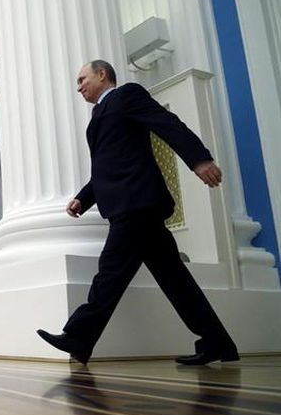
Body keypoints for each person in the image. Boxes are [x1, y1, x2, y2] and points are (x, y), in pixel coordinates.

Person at [37, 60, 239, 366]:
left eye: (82, 79)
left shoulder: (126, 95)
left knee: (110, 272)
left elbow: (168, 123)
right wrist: (83, 198)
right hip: (131, 204)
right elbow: (111, 164)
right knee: (175, 280)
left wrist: (199, 159)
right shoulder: (98, 113)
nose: (78, 87)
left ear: (102, 74)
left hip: (136, 203)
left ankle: (79, 336)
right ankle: (217, 342)